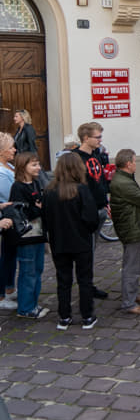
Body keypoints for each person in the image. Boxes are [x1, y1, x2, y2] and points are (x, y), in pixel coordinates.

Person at [43, 153, 100, 330]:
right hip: (81, 242)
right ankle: (87, 316)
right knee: (84, 279)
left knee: (63, 280)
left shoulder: (49, 191)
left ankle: (64, 316)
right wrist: (86, 230)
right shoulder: (81, 190)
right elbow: (91, 218)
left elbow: (46, 218)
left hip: (59, 242)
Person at [109, 149, 140, 316]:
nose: (136, 164)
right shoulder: (122, 182)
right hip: (130, 227)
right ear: (128, 164)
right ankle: (128, 302)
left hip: (132, 225)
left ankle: (132, 295)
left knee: (133, 264)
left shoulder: (124, 179)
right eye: (135, 161)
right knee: (131, 266)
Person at [73, 122, 111, 297]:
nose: (100, 140)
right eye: (97, 137)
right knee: (86, 252)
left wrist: (105, 200)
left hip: (100, 208)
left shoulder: (96, 154)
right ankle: (85, 287)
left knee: (92, 250)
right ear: (86, 138)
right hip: (86, 212)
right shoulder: (75, 158)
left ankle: (89, 284)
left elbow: (100, 181)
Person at [9, 152, 48, 318]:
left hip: (38, 234)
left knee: (37, 270)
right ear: (22, 166)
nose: (38, 167)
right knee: (28, 271)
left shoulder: (36, 182)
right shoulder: (18, 187)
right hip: (26, 237)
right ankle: (25, 308)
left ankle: (33, 303)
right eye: (34, 165)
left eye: (38, 164)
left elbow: (41, 204)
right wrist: (37, 208)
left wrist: (39, 207)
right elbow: (20, 213)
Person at [0, 133, 18, 310]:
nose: (14, 149)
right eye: (11, 147)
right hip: (4, 218)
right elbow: (9, 193)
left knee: (10, 254)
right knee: (5, 257)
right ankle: (1, 295)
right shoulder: (1, 172)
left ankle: (9, 287)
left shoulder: (9, 166)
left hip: (11, 217)